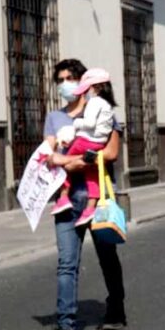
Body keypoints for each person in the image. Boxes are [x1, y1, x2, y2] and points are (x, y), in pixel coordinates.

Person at [39, 59, 128, 330]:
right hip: (66, 200)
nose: (65, 84)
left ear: (84, 83)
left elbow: (111, 152)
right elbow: (48, 154)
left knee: (106, 255)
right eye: (60, 79)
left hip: (98, 196)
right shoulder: (54, 118)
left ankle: (116, 308)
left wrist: (69, 161)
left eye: (70, 78)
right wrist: (70, 160)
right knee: (66, 263)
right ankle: (65, 325)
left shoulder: (103, 112)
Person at [51, 67, 118, 227]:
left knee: (63, 166)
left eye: (87, 89)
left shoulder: (95, 102)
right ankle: (90, 208)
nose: (85, 93)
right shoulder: (108, 106)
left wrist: (76, 123)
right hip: (98, 143)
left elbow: (89, 124)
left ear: (95, 87)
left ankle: (64, 197)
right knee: (92, 173)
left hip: (85, 141)